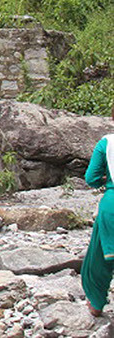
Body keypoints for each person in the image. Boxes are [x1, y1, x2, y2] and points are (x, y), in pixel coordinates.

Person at [84, 113, 114, 317]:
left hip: (112, 205)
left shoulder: (107, 143)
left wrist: (106, 179)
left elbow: (91, 178)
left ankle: (96, 303)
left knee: (100, 256)